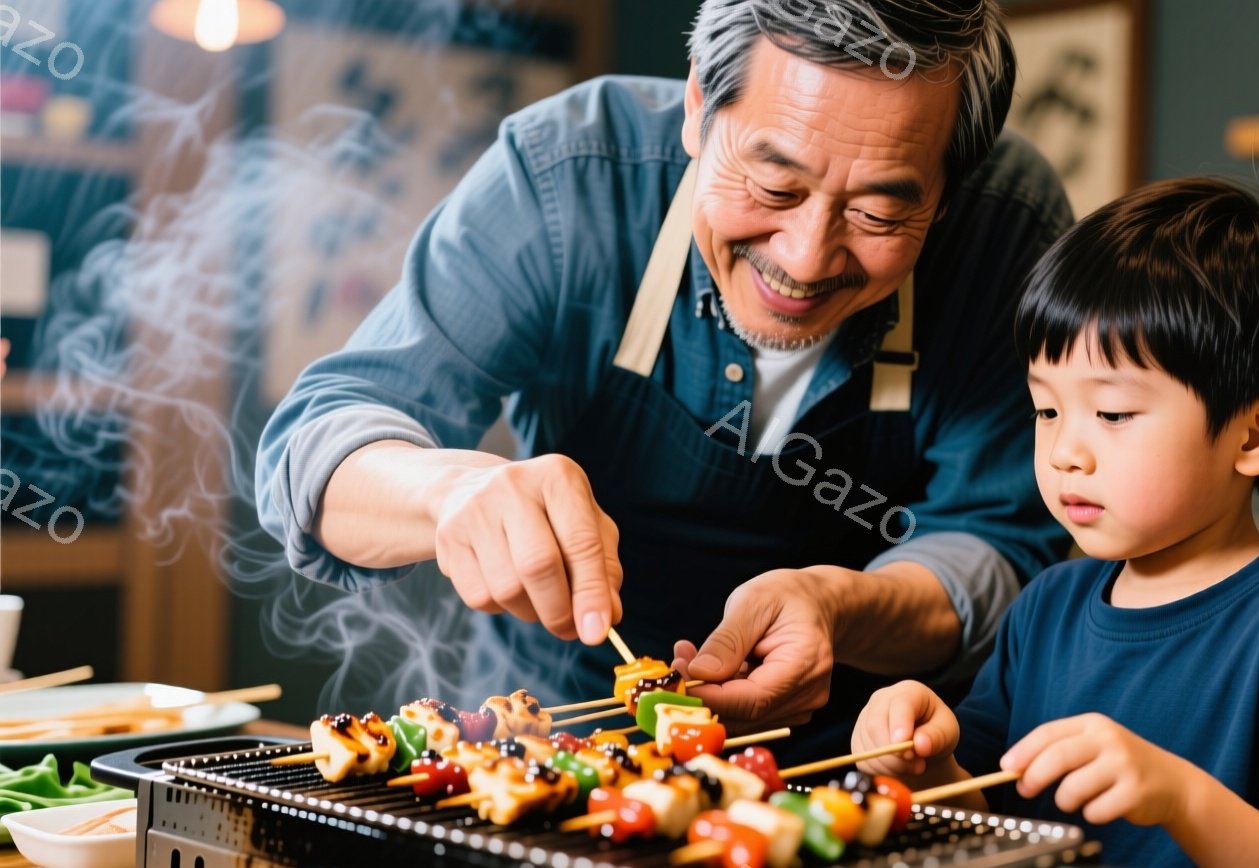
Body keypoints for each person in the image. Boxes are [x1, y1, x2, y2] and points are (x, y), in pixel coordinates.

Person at [256, 0, 1073, 760]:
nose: (805, 258)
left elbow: (1000, 547)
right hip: (549, 742)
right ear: (697, 109)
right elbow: (316, 445)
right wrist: (448, 491)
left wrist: (839, 605)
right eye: (773, 185)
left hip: (857, 761)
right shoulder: (568, 178)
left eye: (878, 213)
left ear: (947, 189)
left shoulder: (1007, 225)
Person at [851, 178, 1259, 868]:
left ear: (1258, 432)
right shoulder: (1047, 607)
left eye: (1113, 412)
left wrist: (1181, 796)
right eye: (1046, 409)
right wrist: (927, 765)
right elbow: (989, 821)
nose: (1064, 454)